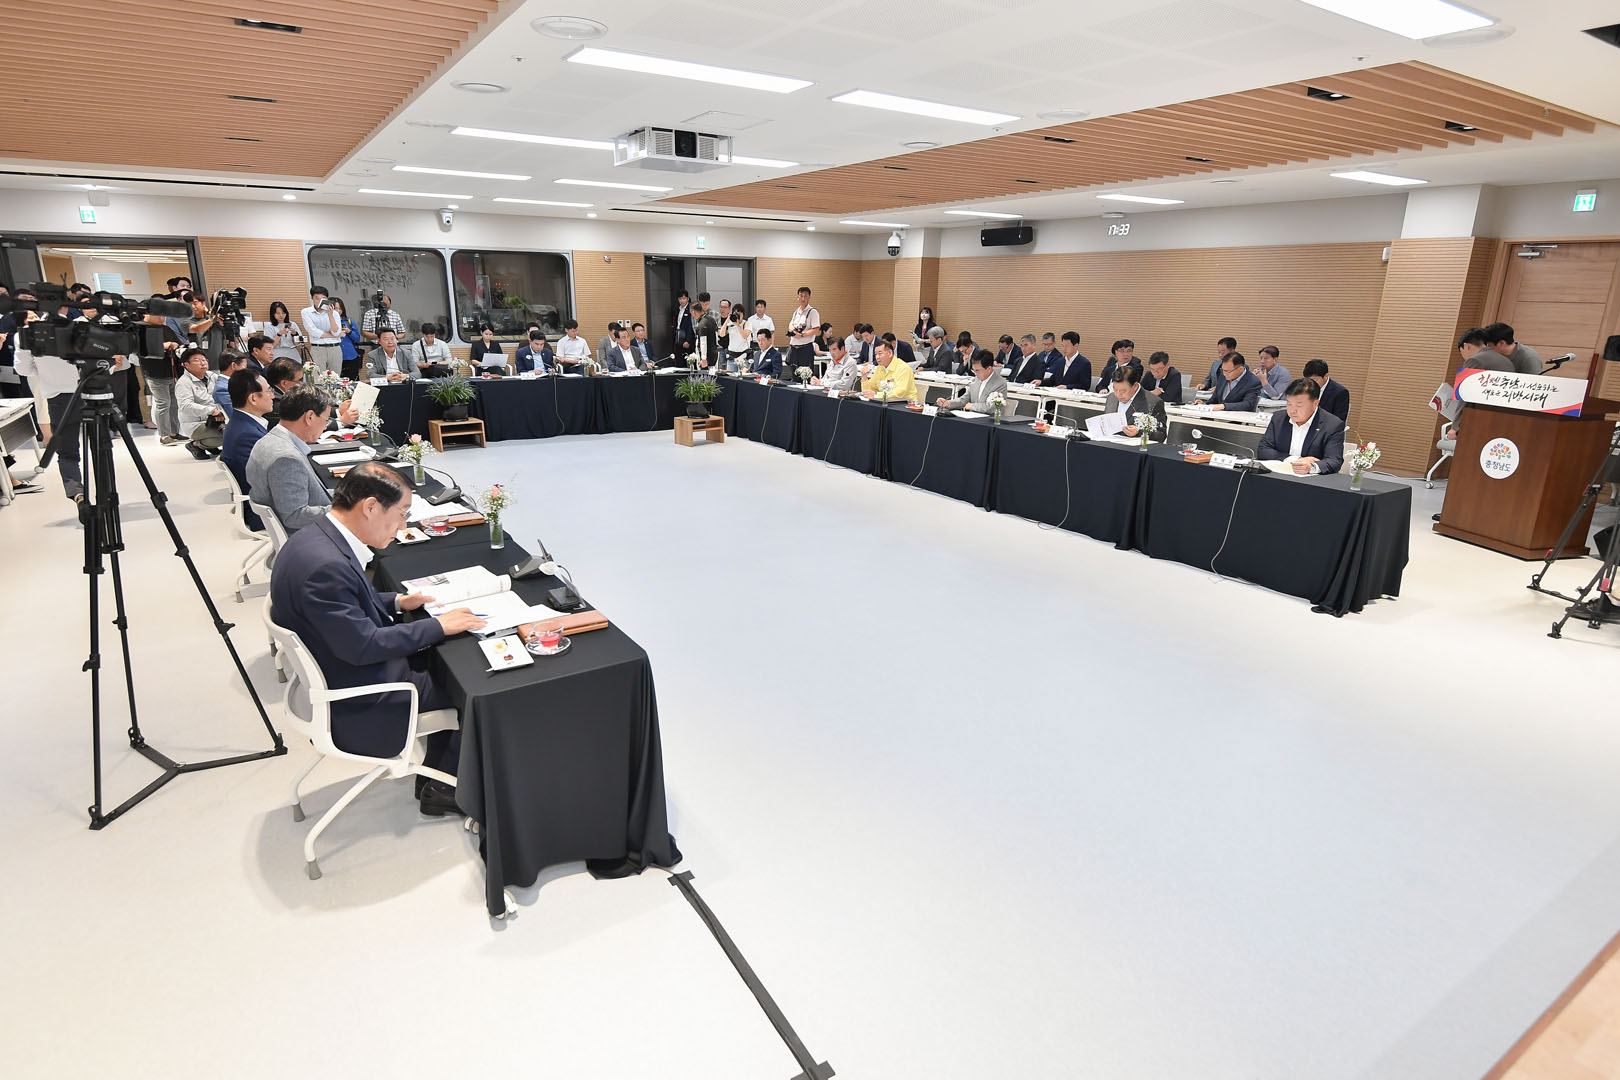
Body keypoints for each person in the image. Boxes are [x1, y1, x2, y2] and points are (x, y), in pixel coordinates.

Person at [268, 462, 485, 814]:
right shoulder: (325, 567)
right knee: (472, 681)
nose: (402, 527)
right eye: (401, 514)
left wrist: (397, 601)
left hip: (337, 667)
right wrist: (439, 626)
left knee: (447, 654)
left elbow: (345, 605)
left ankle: (439, 776)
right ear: (370, 507)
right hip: (366, 693)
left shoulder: (315, 538)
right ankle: (447, 787)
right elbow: (364, 645)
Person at [246, 385, 333, 533]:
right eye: (326, 420)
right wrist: (347, 512)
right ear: (310, 417)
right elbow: (295, 516)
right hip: (311, 536)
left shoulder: (268, 440)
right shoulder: (287, 459)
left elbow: (310, 494)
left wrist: (349, 495)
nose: (325, 427)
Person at [1257, 378, 1346, 474]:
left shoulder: (1332, 425)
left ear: (1315, 403)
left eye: (1299, 406)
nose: (1292, 411)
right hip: (1277, 475)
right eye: (1289, 404)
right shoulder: (1279, 418)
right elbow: (1263, 450)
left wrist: (1311, 467)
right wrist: (1295, 460)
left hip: (1310, 480)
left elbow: (1334, 460)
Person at [222, 369, 273, 531]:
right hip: (264, 512)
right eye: (268, 391)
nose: (272, 396)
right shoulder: (247, 434)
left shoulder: (242, 423)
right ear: (253, 398)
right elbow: (268, 479)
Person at [175, 348, 226, 457]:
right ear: (186, 365)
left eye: (204, 360)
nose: (202, 363)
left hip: (215, 420)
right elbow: (186, 406)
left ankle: (209, 444)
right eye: (196, 360)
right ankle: (196, 445)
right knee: (228, 435)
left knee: (235, 431)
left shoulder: (212, 376)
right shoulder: (183, 383)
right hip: (195, 424)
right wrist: (211, 411)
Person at [1101, 364, 1168, 442]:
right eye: (1115, 389)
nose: (1118, 395)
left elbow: (1161, 435)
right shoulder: (1111, 398)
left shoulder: (1153, 402)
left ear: (1135, 386)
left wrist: (1139, 432)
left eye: (1123, 391)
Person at [939, 349, 1009, 414]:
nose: (975, 373)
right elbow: (964, 400)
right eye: (973, 370)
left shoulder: (1000, 383)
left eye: (977, 371)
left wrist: (972, 406)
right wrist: (948, 403)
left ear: (989, 369)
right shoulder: (975, 380)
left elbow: (991, 407)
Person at [859, 339, 918, 403]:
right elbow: (869, 390)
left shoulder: (903, 368)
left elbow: (899, 393)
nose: (877, 357)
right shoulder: (880, 368)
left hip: (905, 404)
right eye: (875, 354)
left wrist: (877, 395)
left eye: (880, 353)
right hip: (885, 402)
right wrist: (864, 378)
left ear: (890, 353)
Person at [301, 286, 344, 373]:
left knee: (335, 377)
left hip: (335, 348)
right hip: (318, 348)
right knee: (317, 377)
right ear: (312, 298)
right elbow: (314, 332)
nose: (320, 301)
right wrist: (334, 335)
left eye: (323, 298)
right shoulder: (306, 312)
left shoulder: (335, 313)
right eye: (317, 298)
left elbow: (336, 332)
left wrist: (330, 315)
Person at [1301, 359, 1349, 423]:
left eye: (1314, 380)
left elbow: (1339, 420)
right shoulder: (1305, 388)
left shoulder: (1340, 393)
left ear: (1326, 376)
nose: (1311, 383)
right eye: (1308, 380)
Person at [785, 286, 820, 374]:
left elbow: (816, 330)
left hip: (805, 349)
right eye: (801, 296)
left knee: (805, 375)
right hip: (793, 348)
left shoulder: (812, 312)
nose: (803, 299)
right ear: (798, 297)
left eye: (805, 296)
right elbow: (790, 324)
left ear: (809, 297)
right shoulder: (796, 312)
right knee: (794, 374)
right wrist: (792, 330)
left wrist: (801, 335)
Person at [185, 291, 224, 366]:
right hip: (200, 365)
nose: (192, 306)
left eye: (195, 303)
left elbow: (223, 324)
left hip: (220, 363)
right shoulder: (185, 321)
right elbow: (197, 329)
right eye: (189, 304)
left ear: (203, 303)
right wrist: (213, 318)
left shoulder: (214, 318)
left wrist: (211, 313)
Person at [331, 298, 364, 380]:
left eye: (340, 308)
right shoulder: (327, 322)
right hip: (335, 357)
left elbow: (357, 339)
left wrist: (349, 332)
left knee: (353, 381)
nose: (338, 311)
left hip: (351, 356)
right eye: (335, 308)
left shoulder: (349, 321)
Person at [693, 293, 720, 371]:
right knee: (700, 368)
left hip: (712, 345)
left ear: (710, 302)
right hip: (700, 344)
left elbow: (718, 331)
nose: (704, 306)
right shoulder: (695, 314)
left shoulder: (715, 314)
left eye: (707, 304)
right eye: (702, 304)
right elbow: (695, 330)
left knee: (713, 370)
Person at [673, 290, 695, 360]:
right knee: (679, 358)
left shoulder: (691, 309)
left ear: (687, 299)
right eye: (680, 299)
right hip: (678, 337)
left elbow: (690, 326)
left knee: (688, 359)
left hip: (686, 338)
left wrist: (688, 340)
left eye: (684, 298)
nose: (682, 301)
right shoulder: (677, 308)